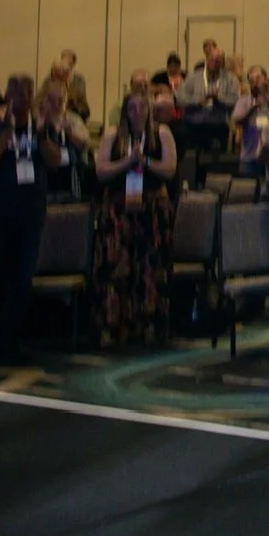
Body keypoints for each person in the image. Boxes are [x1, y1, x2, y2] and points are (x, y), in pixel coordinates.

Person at [0, 75, 69, 369]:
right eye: (17, 90)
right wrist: (7, 133)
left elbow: (56, 161)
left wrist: (42, 134)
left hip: (29, 217)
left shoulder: (40, 128)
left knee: (20, 282)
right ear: (7, 93)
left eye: (28, 91)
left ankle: (8, 344)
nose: (22, 96)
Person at [93, 89, 178, 345]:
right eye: (132, 108)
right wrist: (128, 161)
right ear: (125, 111)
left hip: (152, 207)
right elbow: (101, 171)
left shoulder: (161, 133)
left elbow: (169, 169)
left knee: (150, 266)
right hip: (119, 208)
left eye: (142, 107)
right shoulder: (113, 135)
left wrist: (145, 161)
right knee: (116, 267)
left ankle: (149, 324)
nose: (137, 112)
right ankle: (114, 325)